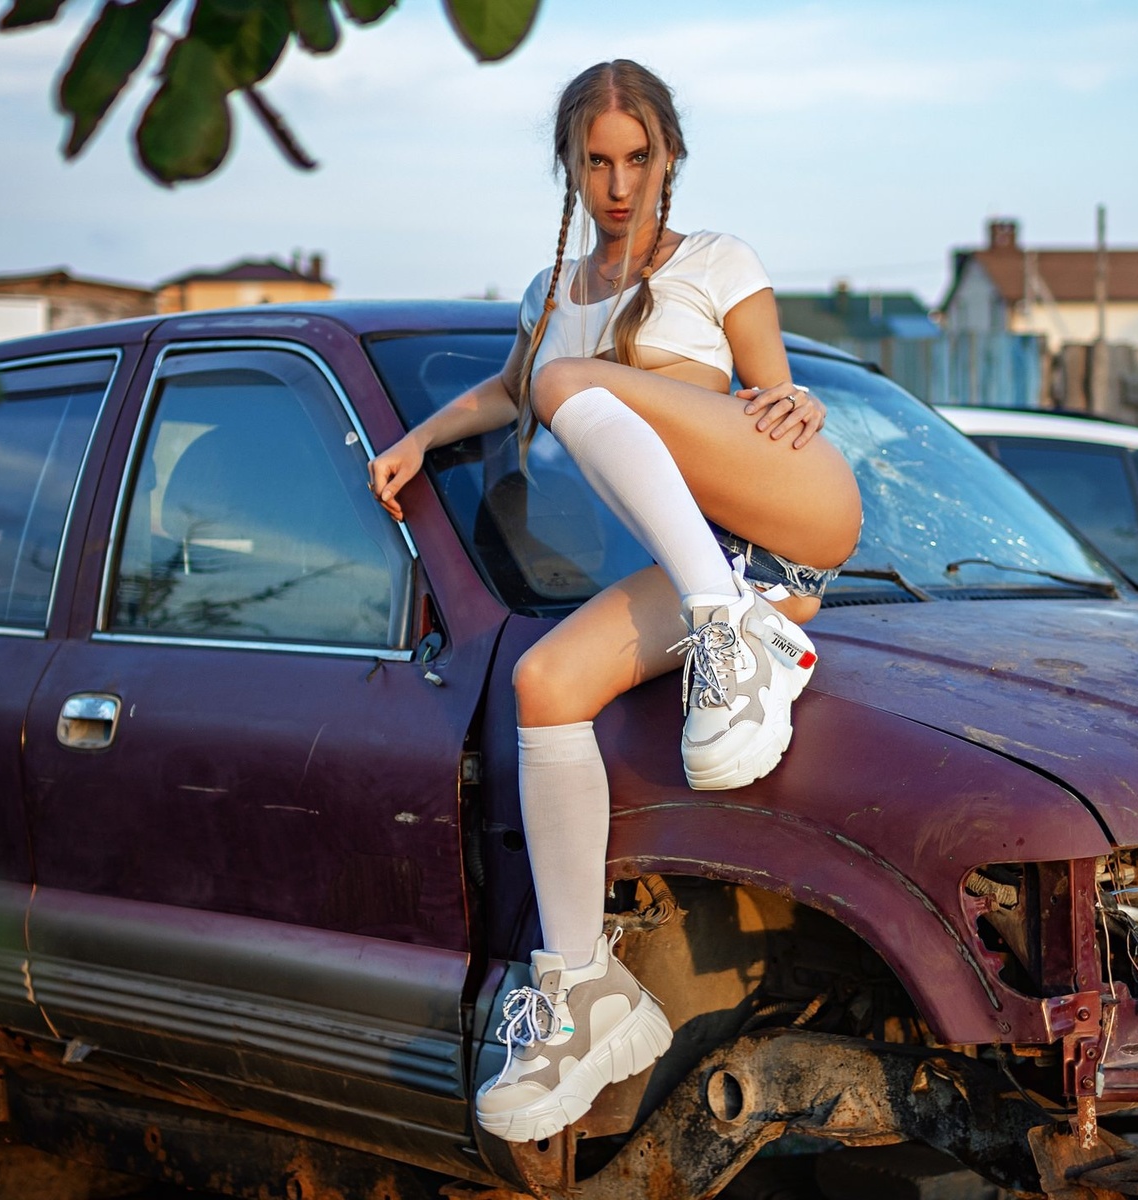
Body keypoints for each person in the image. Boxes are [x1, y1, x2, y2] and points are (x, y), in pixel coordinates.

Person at [365, 59, 863, 1143]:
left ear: (669, 156)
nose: (619, 182)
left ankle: (739, 639)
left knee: (568, 384)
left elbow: (770, 390)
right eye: (597, 161)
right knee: (544, 686)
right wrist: (417, 437)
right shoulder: (554, 300)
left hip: (788, 520)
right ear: (571, 169)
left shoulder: (720, 262)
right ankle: (583, 988)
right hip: (712, 571)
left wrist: (799, 395)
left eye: (638, 158)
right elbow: (510, 393)